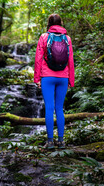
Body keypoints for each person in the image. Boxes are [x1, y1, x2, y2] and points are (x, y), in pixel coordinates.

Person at [34, 14, 75, 149]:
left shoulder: (44, 37)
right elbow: (70, 61)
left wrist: (37, 78)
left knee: (49, 108)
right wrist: (71, 80)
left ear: (49, 24)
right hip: (63, 77)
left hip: (47, 77)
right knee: (59, 109)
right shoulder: (67, 38)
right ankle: (61, 141)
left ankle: (50, 142)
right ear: (61, 23)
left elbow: (38, 59)